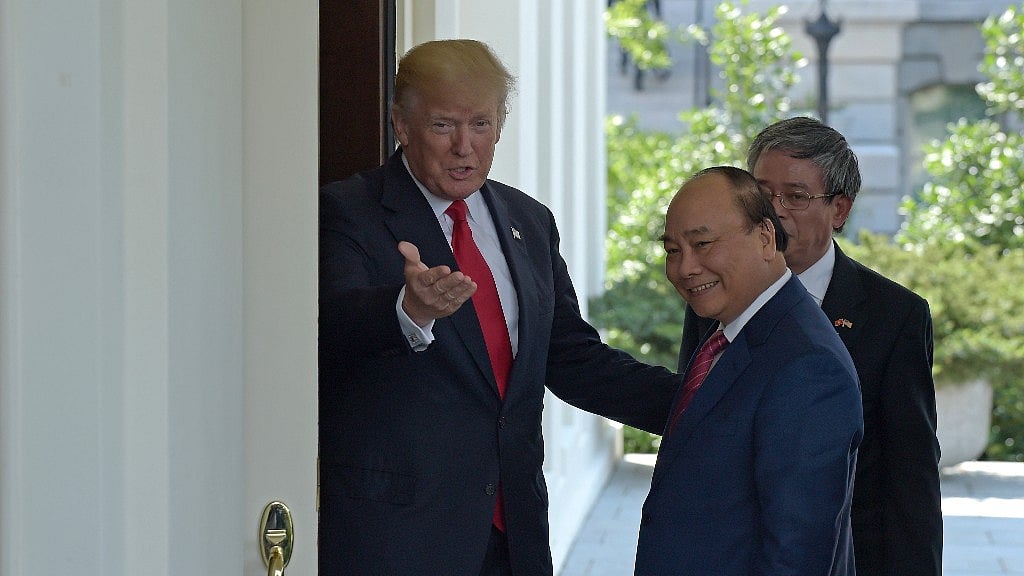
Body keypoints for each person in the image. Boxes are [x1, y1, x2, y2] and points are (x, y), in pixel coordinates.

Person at [318, 39, 679, 576]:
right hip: (400, 537)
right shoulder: (347, 211)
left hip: (515, 536)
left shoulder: (528, 220)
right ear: (401, 124)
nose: (465, 146)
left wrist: (697, 402)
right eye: (443, 126)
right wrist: (408, 309)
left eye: (481, 125)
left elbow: (570, 357)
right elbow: (333, 328)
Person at [677, 117, 943, 575]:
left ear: (840, 210)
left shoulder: (895, 316)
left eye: (796, 197)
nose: (776, 211)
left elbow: (910, 483)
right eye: (763, 195)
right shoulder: (714, 294)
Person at [636, 166, 863, 575]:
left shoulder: (808, 365)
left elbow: (796, 554)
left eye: (702, 244)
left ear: (764, 237)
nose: (685, 268)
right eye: (672, 250)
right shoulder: (734, 332)